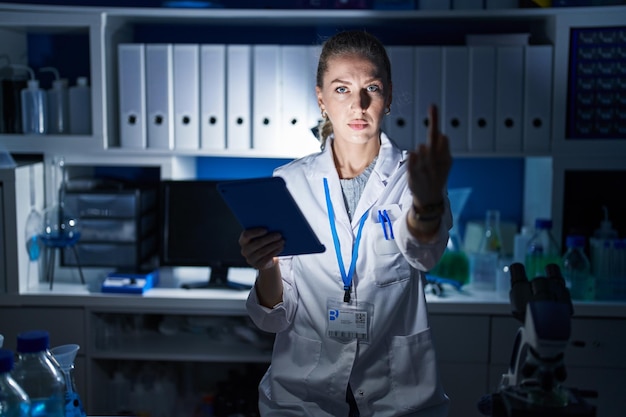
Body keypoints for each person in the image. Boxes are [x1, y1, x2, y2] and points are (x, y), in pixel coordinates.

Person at [239, 29, 453, 417]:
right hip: (302, 395)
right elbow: (274, 315)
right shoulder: (288, 183)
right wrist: (266, 265)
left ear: (386, 97)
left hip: (398, 394)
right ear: (321, 99)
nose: (358, 104)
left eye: (371, 87)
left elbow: (424, 254)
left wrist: (427, 204)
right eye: (341, 89)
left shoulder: (415, 178)